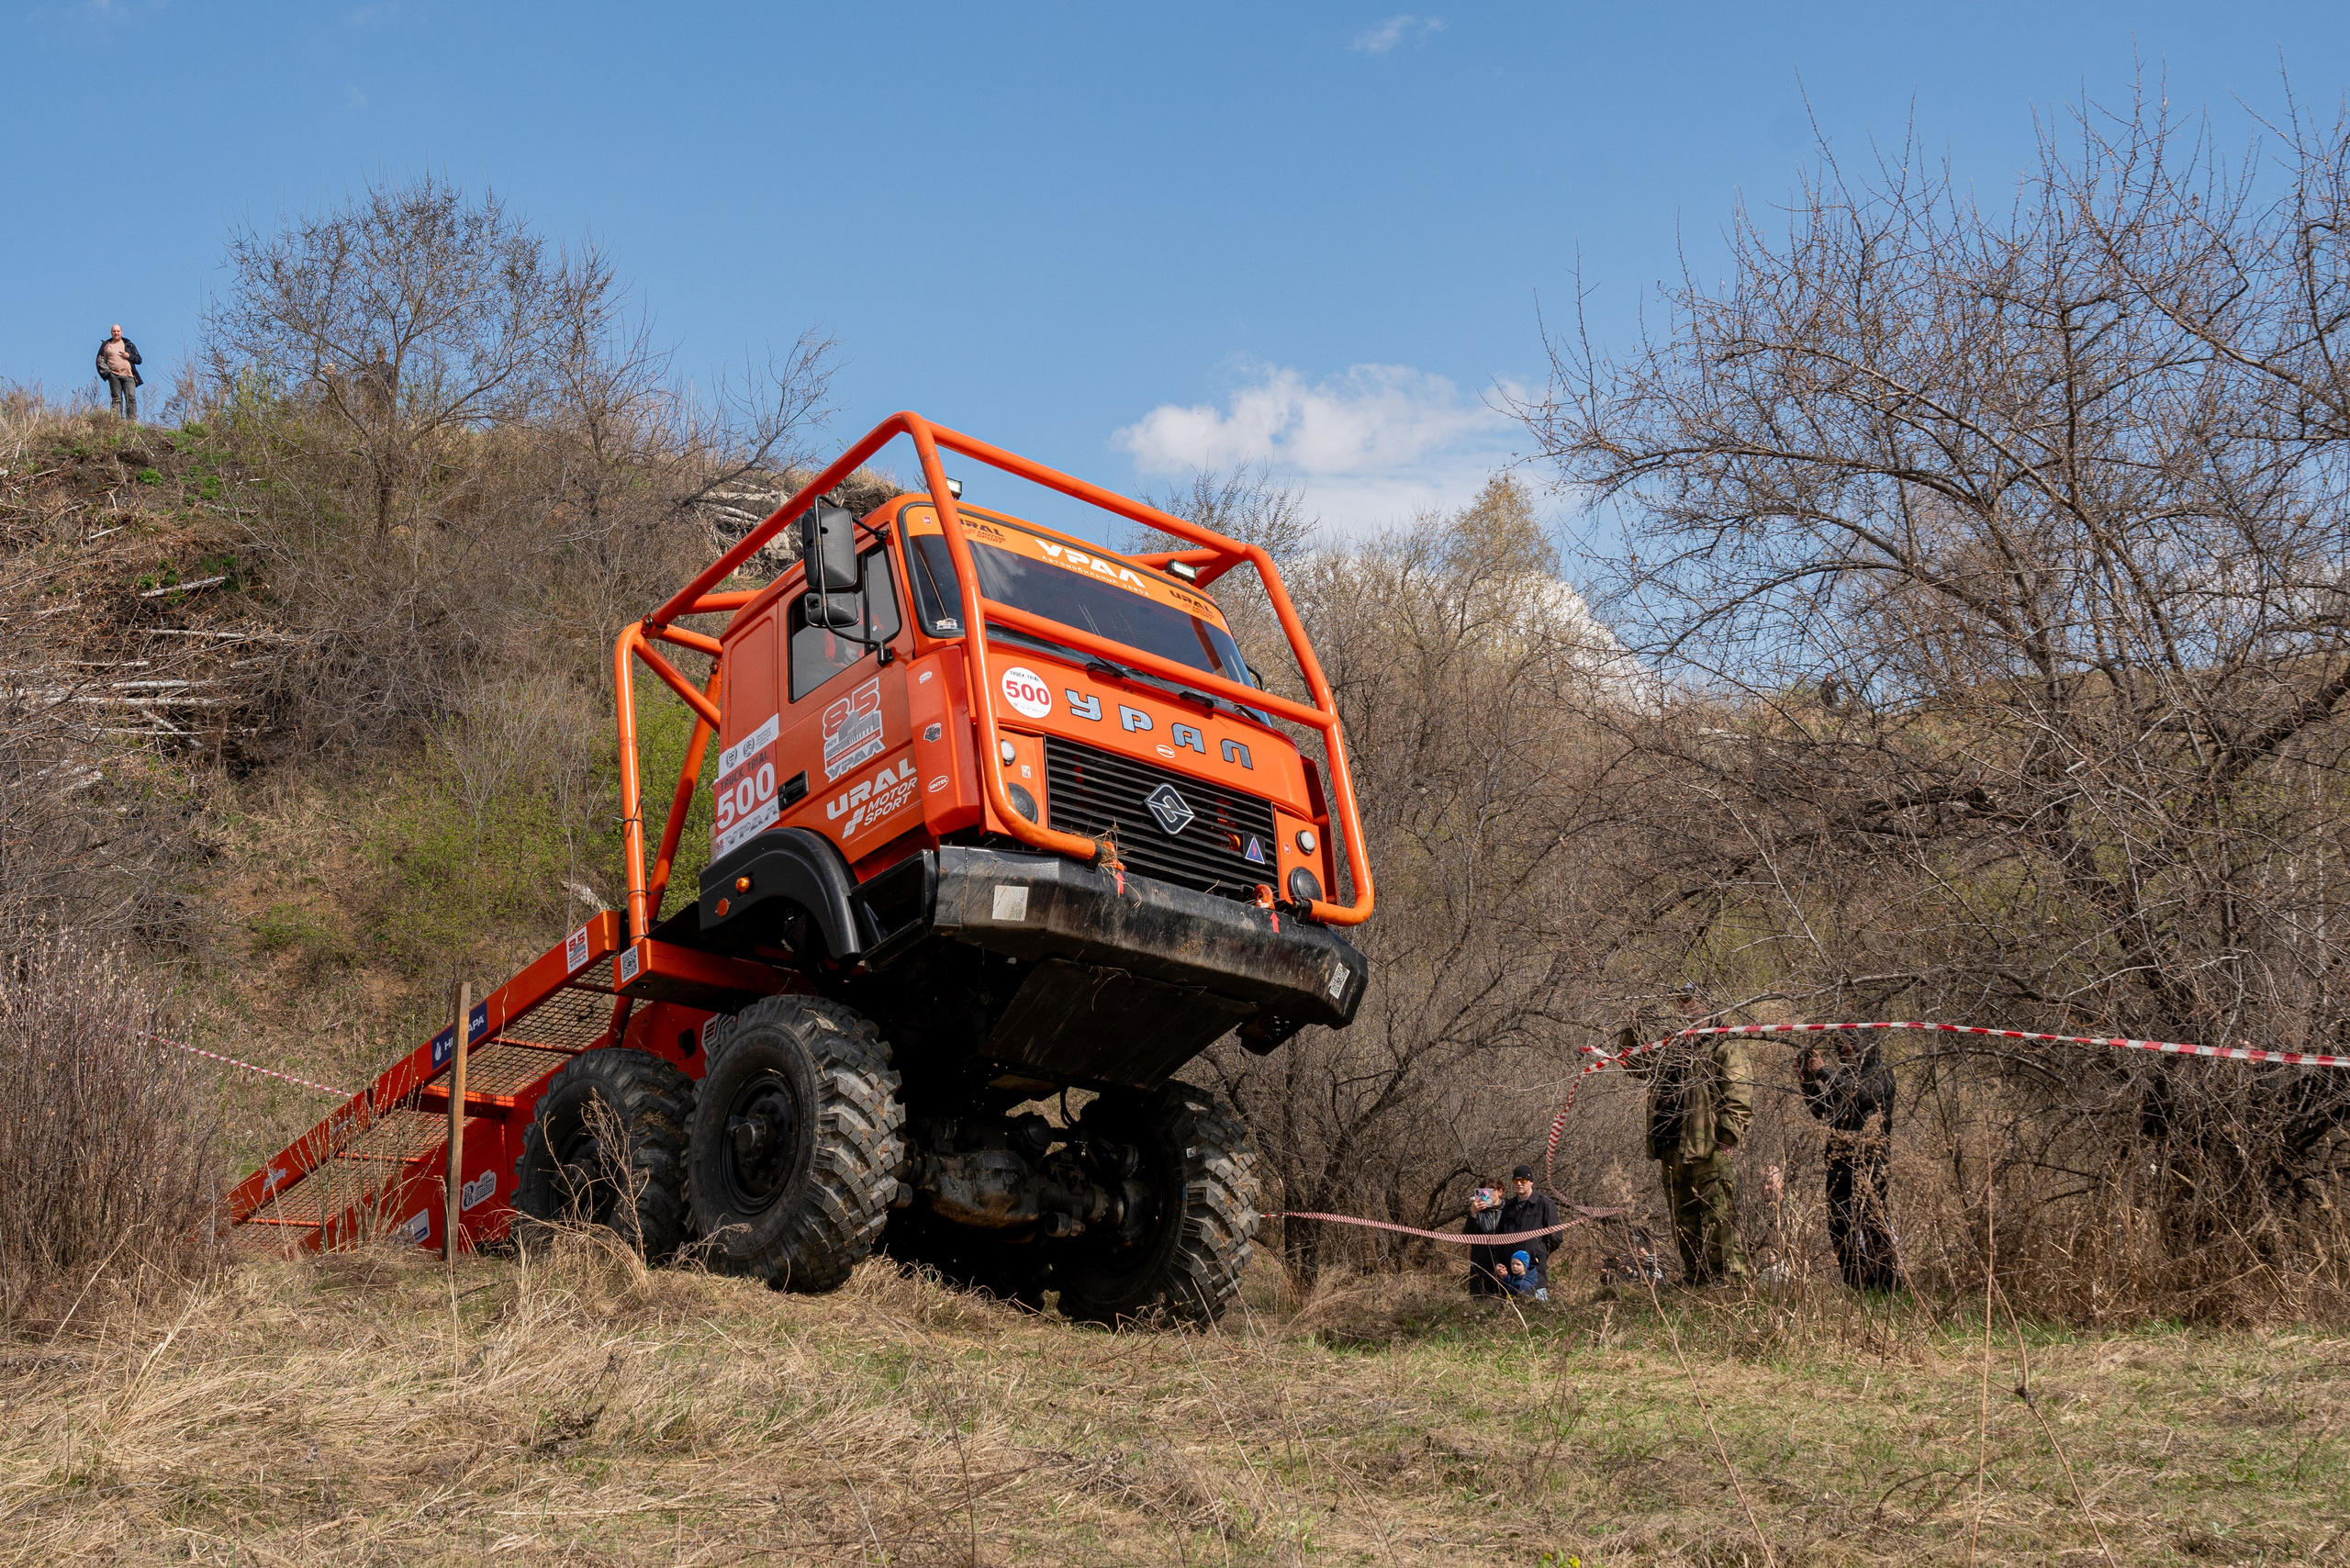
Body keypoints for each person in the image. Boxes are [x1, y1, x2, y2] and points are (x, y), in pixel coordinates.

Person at [1642, 984, 1754, 1285]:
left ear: (1707, 1004)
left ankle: (1730, 1279)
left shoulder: (1724, 1045)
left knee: (1719, 1214)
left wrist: (1727, 1138)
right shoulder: (1672, 1044)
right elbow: (1637, 1066)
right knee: (1683, 1220)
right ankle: (1696, 1277)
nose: (1684, 1007)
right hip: (1671, 1146)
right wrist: (1634, 1026)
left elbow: (1739, 1095)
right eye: (1681, 1002)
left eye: (1690, 1001)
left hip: (1708, 1148)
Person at [1799, 1031, 1901, 1291]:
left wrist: (1823, 1072)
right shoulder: (1843, 1075)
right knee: (1839, 1227)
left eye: (1851, 1043)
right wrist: (1808, 1080)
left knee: (1873, 1225)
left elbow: (1862, 1094)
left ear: (1866, 1044)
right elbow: (1821, 1109)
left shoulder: (1881, 1072)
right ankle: (1858, 1284)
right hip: (1838, 1164)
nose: (1845, 1049)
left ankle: (1887, 1286)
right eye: (1841, 1044)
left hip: (1870, 1163)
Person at [1496, 1165, 1561, 1294]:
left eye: (1523, 1180)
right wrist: (1498, 1262)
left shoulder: (1544, 1204)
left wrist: (1539, 1252)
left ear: (1531, 1182)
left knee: (1537, 1304)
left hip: (1534, 1272)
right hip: (1510, 1275)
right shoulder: (1508, 1207)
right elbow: (1499, 1237)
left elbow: (1556, 1238)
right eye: (1515, 1181)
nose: (1519, 1184)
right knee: (1510, 1306)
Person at [1465, 1180, 1506, 1297]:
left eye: (1490, 1191)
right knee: (1480, 1303)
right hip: (1481, 1266)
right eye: (1483, 1192)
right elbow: (1467, 1237)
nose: (1486, 1194)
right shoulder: (1478, 1213)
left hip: (1503, 1266)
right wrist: (1473, 1214)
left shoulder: (1508, 1210)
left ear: (1500, 1192)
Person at [95, 324, 142, 421]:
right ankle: (116, 422)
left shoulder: (129, 345)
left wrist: (129, 356)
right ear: (111, 332)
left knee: (131, 398)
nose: (116, 333)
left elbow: (139, 360)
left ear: (121, 332)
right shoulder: (106, 346)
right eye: (114, 331)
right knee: (116, 399)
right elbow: (100, 361)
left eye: (118, 331)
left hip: (129, 376)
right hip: (114, 376)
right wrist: (109, 373)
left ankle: (131, 422)